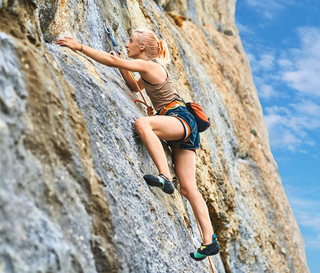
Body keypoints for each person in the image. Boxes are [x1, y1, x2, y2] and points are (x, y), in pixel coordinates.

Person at [55, 29, 219, 261]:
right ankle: (209, 241)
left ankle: (164, 176)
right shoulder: (149, 69)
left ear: (142, 47)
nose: (127, 44)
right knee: (188, 188)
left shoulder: (151, 66)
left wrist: (79, 46)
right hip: (184, 127)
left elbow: (112, 61)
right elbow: (135, 87)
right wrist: (124, 65)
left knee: (143, 124)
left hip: (179, 119)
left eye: (131, 41)